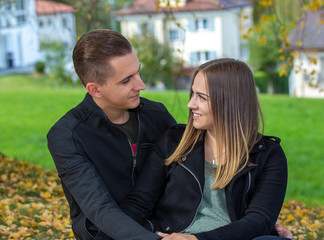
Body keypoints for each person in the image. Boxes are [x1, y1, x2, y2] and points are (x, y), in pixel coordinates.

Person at [47, 29, 293, 239]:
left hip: (164, 228)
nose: (141, 85)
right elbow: (102, 209)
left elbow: (189, 164)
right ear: (95, 89)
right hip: (111, 232)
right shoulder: (68, 135)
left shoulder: (156, 116)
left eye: (138, 72)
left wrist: (261, 222)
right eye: (126, 80)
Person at [121, 58, 290, 240]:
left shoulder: (267, 155)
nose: (191, 104)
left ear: (230, 102)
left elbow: (259, 220)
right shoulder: (174, 142)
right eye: (192, 94)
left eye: (201, 97)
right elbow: (139, 203)